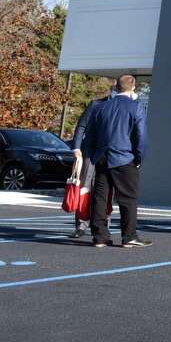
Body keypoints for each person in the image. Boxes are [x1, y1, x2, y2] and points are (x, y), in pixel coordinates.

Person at [80, 74, 149, 248]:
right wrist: (139, 157)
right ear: (133, 87)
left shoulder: (100, 107)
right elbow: (140, 136)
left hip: (102, 158)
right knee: (128, 199)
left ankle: (100, 237)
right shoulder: (136, 107)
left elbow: (90, 135)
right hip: (125, 158)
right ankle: (129, 237)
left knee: (100, 198)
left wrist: (92, 155)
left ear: (115, 86)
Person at [68, 82, 112, 239]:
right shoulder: (96, 104)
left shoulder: (121, 107)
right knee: (84, 188)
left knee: (105, 191)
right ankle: (81, 225)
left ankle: (102, 224)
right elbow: (81, 126)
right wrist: (76, 148)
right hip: (90, 153)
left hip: (109, 155)